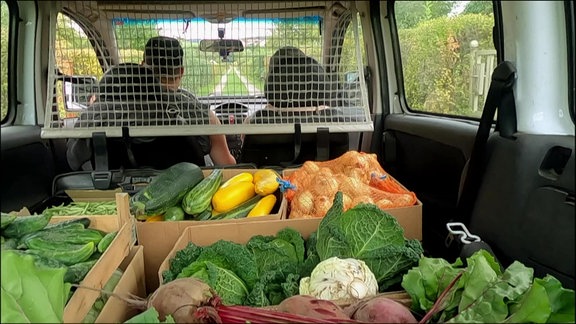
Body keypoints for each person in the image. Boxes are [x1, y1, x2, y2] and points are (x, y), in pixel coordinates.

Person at [66, 63, 213, 171]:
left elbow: (73, 161)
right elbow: (201, 156)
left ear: (102, 94)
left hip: (105, 194)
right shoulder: (174, 118)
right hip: (176, 198)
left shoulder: (92, 121)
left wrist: (96, 109)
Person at [142, 36, 236, 165]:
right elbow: (228, 167)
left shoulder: (111, 111)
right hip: (191, 184)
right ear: (181, 71)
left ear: (142, 66)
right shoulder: (204, 116)